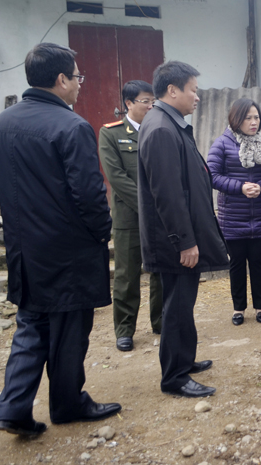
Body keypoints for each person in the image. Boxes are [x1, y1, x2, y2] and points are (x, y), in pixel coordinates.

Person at [0, 42, 121, 436]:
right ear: (61, 80)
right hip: (67, 251)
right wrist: (102, 231)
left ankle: (13, 407)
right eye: (78, 77)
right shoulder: (70, 125)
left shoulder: (3, 123)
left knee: (31, 324)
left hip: (23, 248)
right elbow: (89, 193)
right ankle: (67, 403)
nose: (80, 84)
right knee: (68, 329)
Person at [138, 61, 230, 398]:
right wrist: (185, 241)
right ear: (172, 90)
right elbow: (168, 195)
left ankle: (184, 359)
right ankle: (174, 377)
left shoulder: (169, 124)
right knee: (176, 306)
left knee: (182, 303)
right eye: (193, 90)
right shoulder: (162, 129)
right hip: (174, 242)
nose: (198, 97)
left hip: (178, 238)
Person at [207, 98, 261, 326]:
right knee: (237, 263)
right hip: (233, 215)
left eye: (256, 117)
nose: (253, 122)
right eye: (248, 117)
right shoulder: (222, 143)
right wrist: (240, 187)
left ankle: (260, 307)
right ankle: (238, 308)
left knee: (258, 261)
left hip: (259, 213)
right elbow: (212, 175)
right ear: (236, 119)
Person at [99, 81, 163, 352]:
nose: (151, 106)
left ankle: (161, 322)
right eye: (145, 101)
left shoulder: (159, 130)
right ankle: (125, 329)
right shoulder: (111, 134)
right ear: (128, 103)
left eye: (153, 102)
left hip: (160, 216)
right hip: (129, 218)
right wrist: (150, 205)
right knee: (127, 275)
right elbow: (117, 178)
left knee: (161, 271)